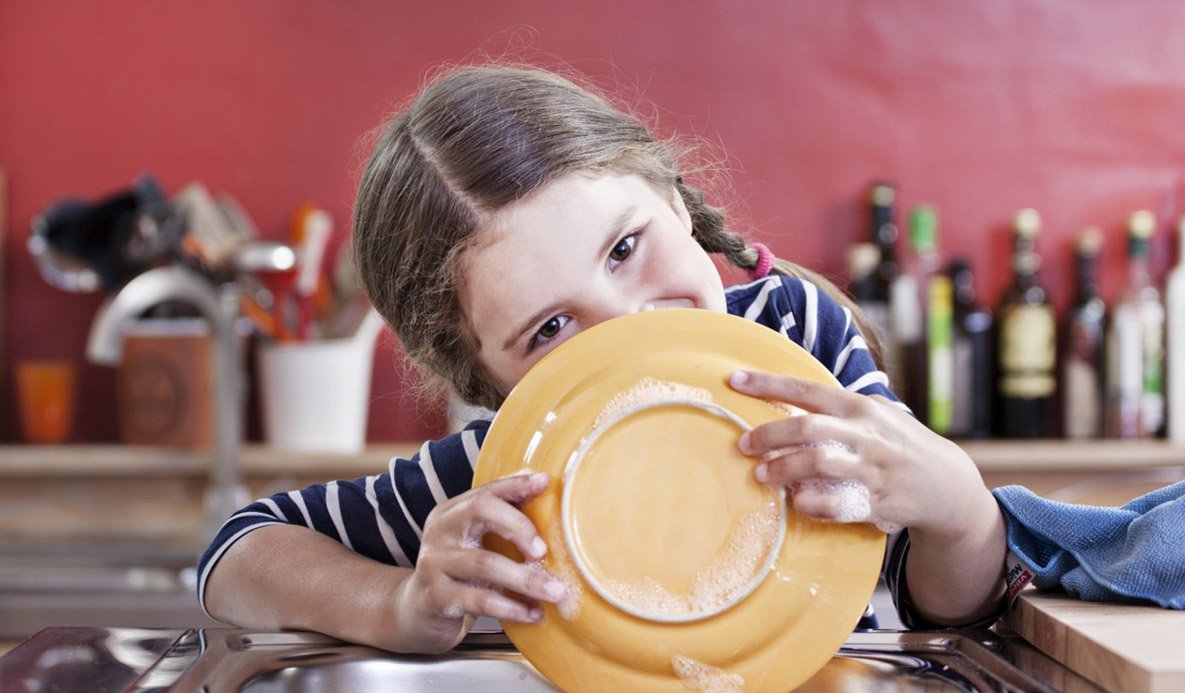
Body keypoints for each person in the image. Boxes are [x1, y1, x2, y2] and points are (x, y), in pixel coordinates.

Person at [198, 64, 1007, 654]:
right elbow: (237, 551)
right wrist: (397, 603)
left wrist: (961, 510)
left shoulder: (798, 342)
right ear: (495, 384)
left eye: (624, 247)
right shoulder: (511, 472)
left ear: (672, 200)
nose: (627, 324)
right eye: (549, 329)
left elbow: (940, 603)